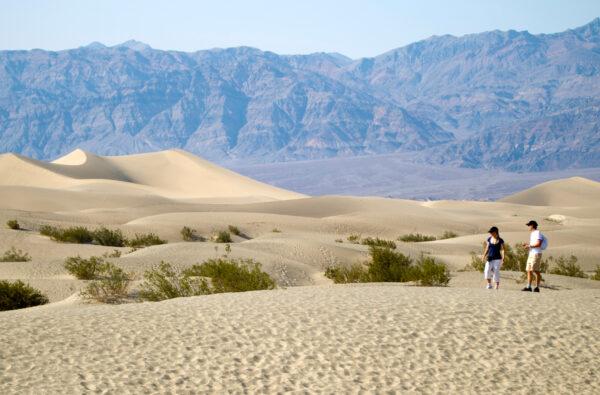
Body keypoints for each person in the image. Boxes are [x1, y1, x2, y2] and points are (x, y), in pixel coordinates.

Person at [522, 220, 543, 292]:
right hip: (531, 253)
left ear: (532, 225)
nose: (529, 227)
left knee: (535, 270)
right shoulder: (532, 233)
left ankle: (537, 287)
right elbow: (533, 244)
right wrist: (527, 245)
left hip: (536, 253)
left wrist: (529, 245)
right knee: (528, 270)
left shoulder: (538, 233)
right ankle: (529, 287)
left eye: (529, 225)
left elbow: (538, 244)